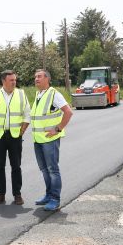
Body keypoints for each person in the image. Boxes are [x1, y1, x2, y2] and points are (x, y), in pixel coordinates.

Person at [0, 70, 30, 205]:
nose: (14, 82)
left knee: (16, 166)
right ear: (3, 81)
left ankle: (17, 194)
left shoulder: (21, 94)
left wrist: (23, 130)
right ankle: (1, 194)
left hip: (15, 135)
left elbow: (27, 113)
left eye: (15, 80)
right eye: (11, 80)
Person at [31, 69, 73, 211]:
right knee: (44, 169)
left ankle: (55, 199)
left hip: (50, 139)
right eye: (35, 77)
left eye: (39, 76)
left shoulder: (54, 94)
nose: (36, 79)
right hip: (38, 140)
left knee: (52, 170)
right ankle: (48, 195)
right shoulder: (38, 94)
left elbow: (68, 112)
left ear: (47, 79)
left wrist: (58, 128)